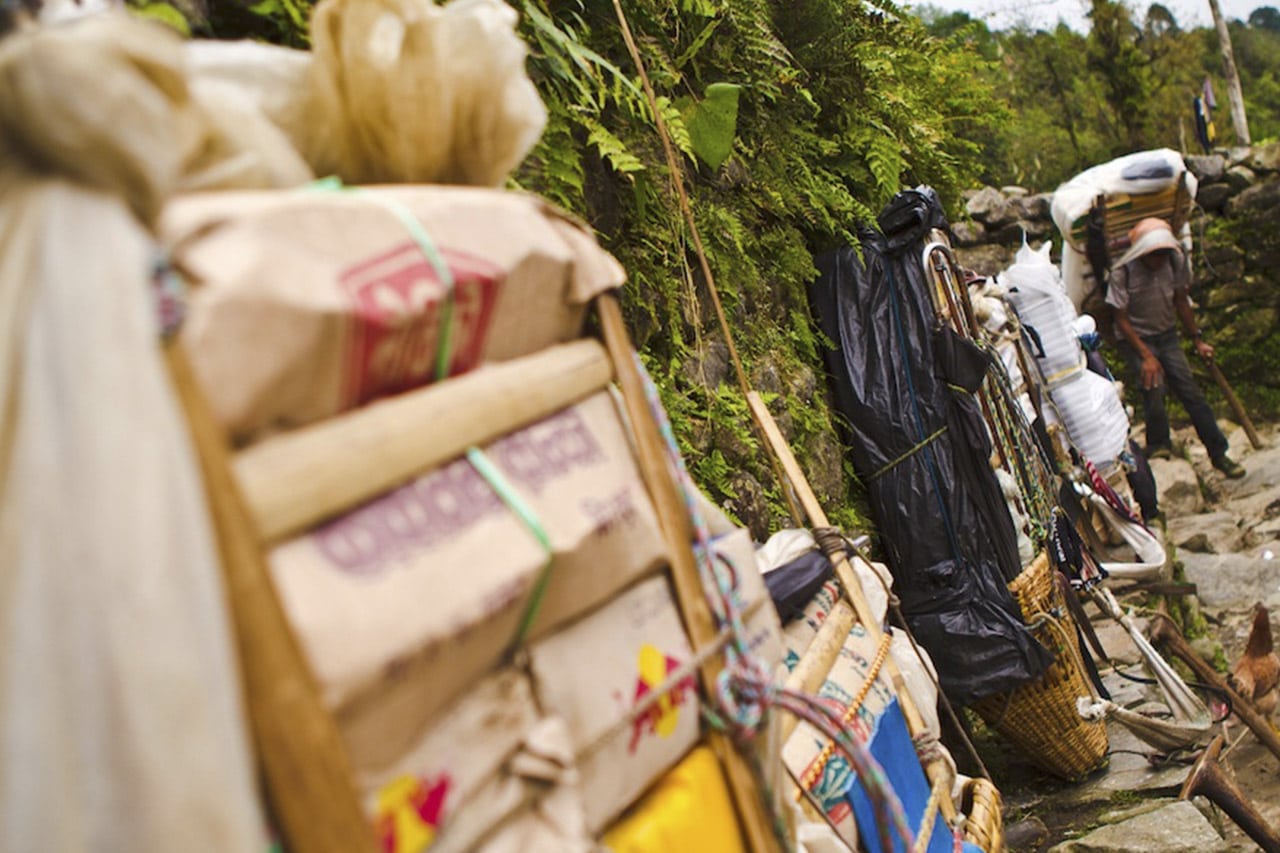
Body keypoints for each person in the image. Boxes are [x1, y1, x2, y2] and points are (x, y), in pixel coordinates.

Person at [1106, 217, 1245, 478]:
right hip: (1136, 339)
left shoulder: (1174, 261)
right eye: (1154, 254)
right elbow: (1120, 319)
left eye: (1163, 253)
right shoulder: (1122, 271)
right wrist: (1146, 356)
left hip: (1167, 335)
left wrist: (1197, 339)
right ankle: (1159, 444)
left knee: (1190, 391)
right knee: (1153, 388)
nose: (1159, 259)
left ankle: (1218, 453)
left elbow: (1181, 299)